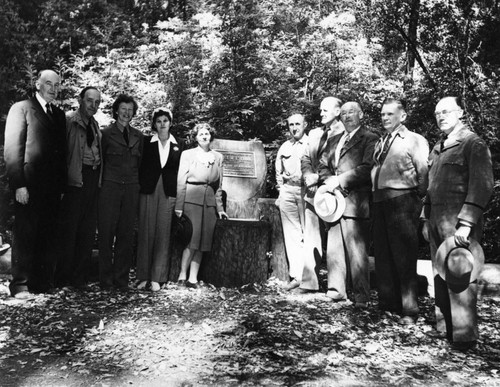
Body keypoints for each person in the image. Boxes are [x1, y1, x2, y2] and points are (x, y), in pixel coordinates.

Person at [421, 96, 493, 350]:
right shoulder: (438, 147)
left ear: (460, 112)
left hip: (459, 223)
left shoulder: (473, 144)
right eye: (437, 112)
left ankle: (464, 338)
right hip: (436, 221)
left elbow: (482, 185)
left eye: (446, 111)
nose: (441, 116)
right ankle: (446, 330)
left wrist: (466, 223)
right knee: (440, 275)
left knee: (461, 276)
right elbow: (430, 187)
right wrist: (424, 218)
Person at [4, 69, 67, 299]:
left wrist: (61, 187)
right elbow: (12, 151)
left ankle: (42, 283)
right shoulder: (21, 109)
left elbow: (62, 155)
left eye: (56, 85)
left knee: (48, 235)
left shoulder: (59, 115)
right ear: (37, 84)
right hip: (29, 186)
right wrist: (18, 184)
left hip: (52, 190)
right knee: (25, 234)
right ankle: (20, 285)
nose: (53, 88)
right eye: (48, 83)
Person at [371, 98, 429, 324]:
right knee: (383, 255)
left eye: (390, 114)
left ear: (403, 116)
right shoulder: (381, 141)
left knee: (404, 256)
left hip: (403, 201)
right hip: (380, 202)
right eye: (383, 114)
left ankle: (409, 310)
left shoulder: (414, 140)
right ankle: (388, 304)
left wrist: (417, 199)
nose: (385, 118)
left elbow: (424, 173)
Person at [317, 101, 378, 305]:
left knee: (357, 251)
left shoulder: (370, 138)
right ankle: (336, 290)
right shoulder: (334, 139)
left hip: (355, 202)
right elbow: (323, 164)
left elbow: (368, 167)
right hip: (333, 201)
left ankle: (361, 295)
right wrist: (328, 182)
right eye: (343, 113)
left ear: (361, 114)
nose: (347, 116)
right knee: (334, 249)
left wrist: (340, 180)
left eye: (351, 112)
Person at [55, 86, 102, 289]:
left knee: (87, 231)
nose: (93, 105)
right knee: (69, 230)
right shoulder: (68, 121)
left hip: (93, 180)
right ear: (80, 100)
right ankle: (62, 278)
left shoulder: (95, 124)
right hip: (74, 180)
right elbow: (58, 153)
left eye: (97, 102)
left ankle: (79, 278)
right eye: (90, 100)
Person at [298, 97, 345, 293]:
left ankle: (336, 288)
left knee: (335, 243)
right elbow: (306, 157)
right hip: (311, 193)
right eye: (320, 110)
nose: (321, 113)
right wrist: (308, 174)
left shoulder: (345, 133)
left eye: (326, 110)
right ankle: (309, 283)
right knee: (311, 238)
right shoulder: (315, 134)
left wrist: (318, 177)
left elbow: (342, 164)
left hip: (332, 196)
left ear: (337, 111)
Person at [98, 94, 144, 290]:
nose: (126, 113)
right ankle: (106, 280)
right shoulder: (106, 134)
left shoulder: (138, 136)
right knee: (107, 234)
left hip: (132, 188)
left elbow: (140, 166)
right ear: (116, 110)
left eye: (130, 110)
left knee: (126, 234)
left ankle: (121, 280)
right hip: (110, 187)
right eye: (123, 109)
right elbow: (100, 162)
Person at [175, 123, 228, 288]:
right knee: (192, 239)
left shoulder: (218, 157)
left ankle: (193, 278)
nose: (204, 136)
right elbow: (181, 180)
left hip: (209, 204)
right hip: (191, 200)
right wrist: (179, 205)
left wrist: (220, 208)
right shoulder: (187, 154)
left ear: (210, 136)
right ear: (196, 137)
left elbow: (219, 185)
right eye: (200, 134)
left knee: (204, 241)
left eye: (207, 134)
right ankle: (182, 276)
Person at [136, 107, 183, 291]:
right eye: (158, 121)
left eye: (165, 120)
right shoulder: (146, 142)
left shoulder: (179, 143)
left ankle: (157, 277)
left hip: (169, 191)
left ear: (170, 122)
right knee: (146, 232)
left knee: (163, 233)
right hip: (148, 189)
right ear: (154, 124)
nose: (162, 124)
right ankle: (142, 276)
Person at [275, 114, 308, 291]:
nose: (294, 127)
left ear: (305, 125)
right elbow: (278, 172)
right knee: (292, 235)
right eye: (291, 124)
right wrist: (281, 192)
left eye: (298, 124)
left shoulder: (312, 144)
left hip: (306, 191)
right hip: (287, 191)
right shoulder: (285, 146)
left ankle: (310, 278)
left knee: (308, 234)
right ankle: (297, 277)